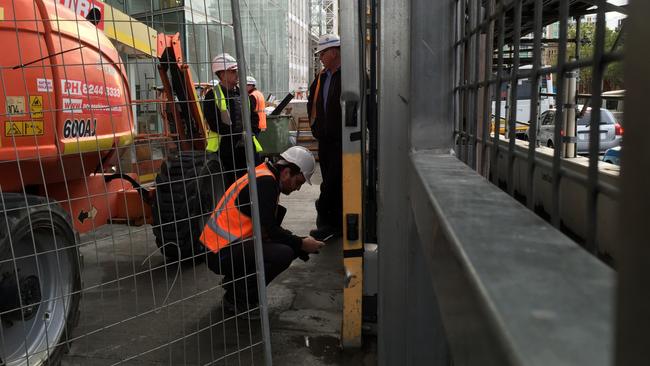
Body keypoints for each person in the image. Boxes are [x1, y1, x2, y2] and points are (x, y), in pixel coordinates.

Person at [199, 146, 325, 318]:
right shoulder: (265, 183)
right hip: (219, 252)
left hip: (223, 248)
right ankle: (239, 298)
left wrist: (300, 243)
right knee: (284, 253)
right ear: (287, 172)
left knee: (288, 246)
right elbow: (271, 231)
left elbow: (268, 230)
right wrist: (301, 243)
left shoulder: (266, 177)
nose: (298, 188)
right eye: (298, 182)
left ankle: (237, 285)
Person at [203, 53, 261, 188]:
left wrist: (250, 132)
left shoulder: (242, 94)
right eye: (233, 71)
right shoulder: (212, 95)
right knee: (227, 187)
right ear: (222, 74)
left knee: (249, 185)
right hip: (224, 149)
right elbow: (214, 124)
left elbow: (253, 117)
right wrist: (236, 134)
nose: (237, 74)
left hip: (245, 147)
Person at [307, 34, 342, 239]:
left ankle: (331, 224)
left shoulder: (352, 76)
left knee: (334, 182)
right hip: (326, 140)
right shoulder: (321, 77)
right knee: (330, 179)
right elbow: (313, 103)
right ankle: (330, 223)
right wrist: (316, 129)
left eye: (322, 52)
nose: (320, 56)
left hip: (344, 140)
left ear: (334, 52)